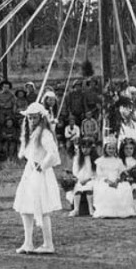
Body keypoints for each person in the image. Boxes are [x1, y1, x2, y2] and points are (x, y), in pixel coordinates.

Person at [13, 102, 61, 254]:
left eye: (35, 118)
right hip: (30, 172)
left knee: (43, 208)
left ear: (41, 118)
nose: (32, 120)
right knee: (25, 208)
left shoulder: (44, 133)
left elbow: (52, 153)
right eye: (30, 118)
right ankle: (28, 243)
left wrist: (43, 165)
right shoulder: (31, 132)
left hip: (40, 173)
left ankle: (48, 244)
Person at [92, 137, 136, 218]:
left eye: (113, 148)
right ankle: (106, 211)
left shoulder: (118, 160)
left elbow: (122, 172)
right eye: (109, 148)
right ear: (105, 149)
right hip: (105, 180)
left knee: (124, 187)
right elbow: (100, 175)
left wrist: (117, 180)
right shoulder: (100, 161)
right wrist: (109, 182)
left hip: (116, 180)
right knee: (105, 189)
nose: (111, 150)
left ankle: (121, 211)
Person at [69, 137, 97, 217]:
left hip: (91, 179)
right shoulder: (78, 158)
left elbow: (95, 173)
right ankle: (76, 209)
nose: (85, 150)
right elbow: (75, 171)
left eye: (88, 148)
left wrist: (88, 179)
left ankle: (91, 208)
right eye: (83, 147)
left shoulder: (93, 159)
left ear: (91, 148)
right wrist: (79, 179)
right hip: (80, 179)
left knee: (89, 188)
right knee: (77, 188)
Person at [115, 96, 136, 162]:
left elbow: (133, 118)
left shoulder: (131, 109)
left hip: (133, 129)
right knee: (122, 144)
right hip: (125, 128)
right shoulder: (122, 108)